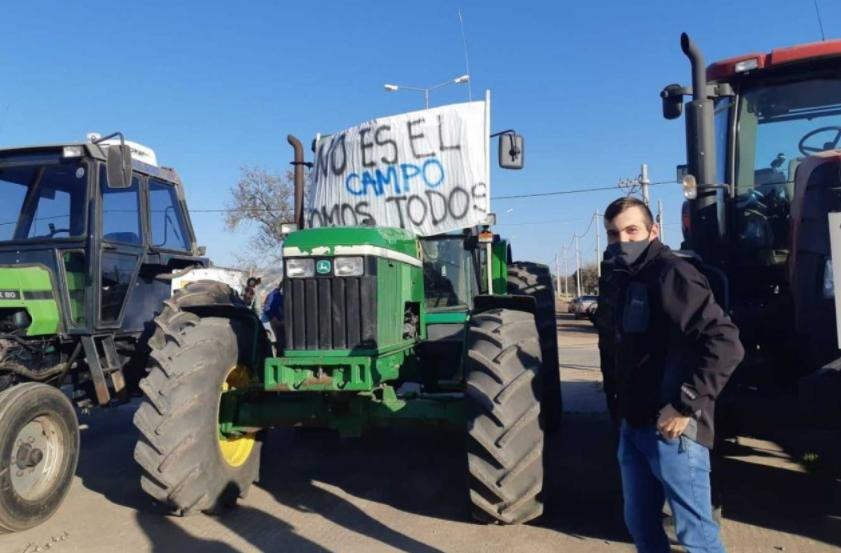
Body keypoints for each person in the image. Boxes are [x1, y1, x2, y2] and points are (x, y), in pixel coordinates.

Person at [598, 197, 744, 553]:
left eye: (632, 230)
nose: (623, 241)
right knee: (641, 526)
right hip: (633, 428)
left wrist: (684, 403)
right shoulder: (624, 279)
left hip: (672, 432)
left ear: (653, 231)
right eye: (614, 234)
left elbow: (726, 343)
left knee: (696, 536)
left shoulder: (672, 273)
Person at [261, 281, 284, 350]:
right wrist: (273, 319)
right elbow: (267, 307)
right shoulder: (274, 294)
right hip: (276, 321)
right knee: (280, 339)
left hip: (287, 322)